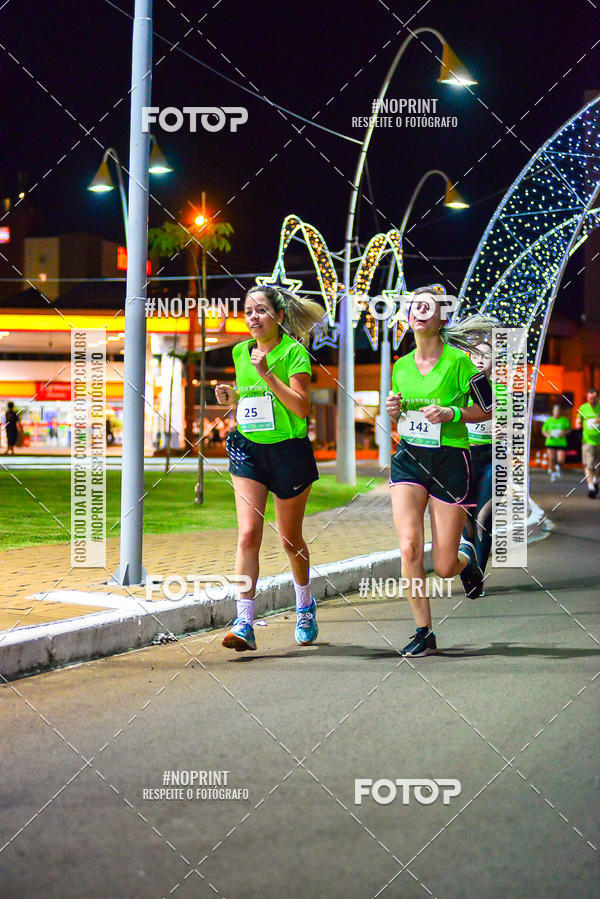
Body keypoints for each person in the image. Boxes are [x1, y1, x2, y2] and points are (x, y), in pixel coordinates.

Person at [215, 285, 325, 652]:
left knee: (290, 539)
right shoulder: (239, 352)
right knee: (248, 534)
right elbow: (249, 399)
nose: (252, 317)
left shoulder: (295, 354)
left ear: (278, 317)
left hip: (288, 453)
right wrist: (230, 395)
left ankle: (305, 605)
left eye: (260, 310)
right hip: (248, 450)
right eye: (247, 310)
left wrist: (267, 375)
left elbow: (300, 408)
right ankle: (244, 621)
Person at [385, 287, 494, 657]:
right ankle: (424, 631)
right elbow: (401, 418)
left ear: (441, 318)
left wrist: (454, 413)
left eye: (428, 307)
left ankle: (467, 562)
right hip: (410, 459)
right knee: (409, 546)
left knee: (444, 565)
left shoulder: (460, 363)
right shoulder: (400, 366)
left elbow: (488, 409)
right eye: (415, 306)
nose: (420, 312)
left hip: (450, 461)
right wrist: (393, 410)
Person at [461, 340, 495, 587]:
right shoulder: (460, 389)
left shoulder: (502, 390)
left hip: (492, 459)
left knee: (483, 518)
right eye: (475, 355)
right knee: (465, 518)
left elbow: (519, 425)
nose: (480, 359)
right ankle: (469, 567)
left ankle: (478, 577)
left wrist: (506, 430)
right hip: (463, 459)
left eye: (487, 355)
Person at [576, 387, 600, 498]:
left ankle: (596, 480)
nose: (592, 401)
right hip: (587, 441)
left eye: (594, 399)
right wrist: (578, 424)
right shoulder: (583, 408)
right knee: (588, 465)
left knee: (598, 466)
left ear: (598, 398)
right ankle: (590, 487)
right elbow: (578, 421)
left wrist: (596, 420)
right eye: (590, 398)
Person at [541, 404, 570, 481]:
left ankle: (558, 467)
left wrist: (563, 433)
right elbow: (543, 430)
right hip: (551, 442)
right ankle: (553, 474)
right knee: (551, 458)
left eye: (558, 411)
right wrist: (548, 435)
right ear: (553, 411)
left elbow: (569, 429)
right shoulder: (549, 420)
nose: (557, 412)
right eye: (556, 410)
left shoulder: (564, 420)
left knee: (560, 460)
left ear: (560, 412)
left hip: (561, 442)